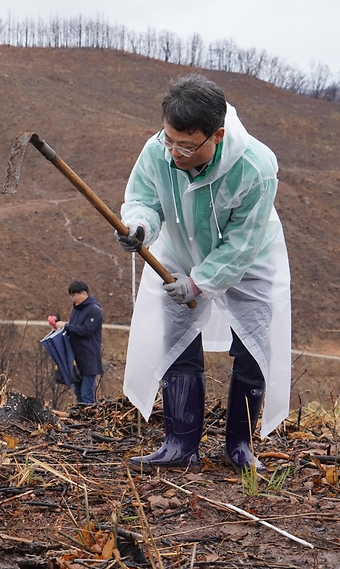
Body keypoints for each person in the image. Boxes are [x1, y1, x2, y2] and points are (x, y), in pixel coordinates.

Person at [116, 73, 291, 473]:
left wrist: (201, 283)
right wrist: (139, 228)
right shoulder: (157, 151)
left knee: (252, 346)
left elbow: (243, 242)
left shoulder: (255, 167)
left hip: (249, 261)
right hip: (178, 249)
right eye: (169, 139)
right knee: (176, 335)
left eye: (188, 145)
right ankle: (180, 443)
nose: (175, 153)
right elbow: (143, 198)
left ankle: (240, 446)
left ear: (218, 135)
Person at [54, 281, 103, 405]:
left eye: (75, 296)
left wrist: (67, 326)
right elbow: (73, 328)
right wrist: (62, 327)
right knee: (78, 392)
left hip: (89, 357)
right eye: (72, 296)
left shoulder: (94, 310)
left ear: (84, 294)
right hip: (76, 357)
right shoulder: (76, 309)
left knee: (86, 393)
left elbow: (87, 330)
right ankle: (80, 421)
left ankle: (89, 421)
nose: (73, 299)